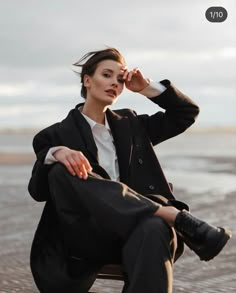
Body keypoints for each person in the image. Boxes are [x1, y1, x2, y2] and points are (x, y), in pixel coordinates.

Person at [28, 47, 231, 293]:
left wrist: (146, 87)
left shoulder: (133, 126)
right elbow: (38, 190)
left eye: (119, 79)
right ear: (87, 80)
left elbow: (186, 113)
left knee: (155, 228)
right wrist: (57, 152)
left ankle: (162, 216)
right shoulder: (55, 135)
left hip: (133, 232)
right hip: (83, 238)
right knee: (60, 171)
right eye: (106, 75)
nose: (114, 82)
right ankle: (170, 215)